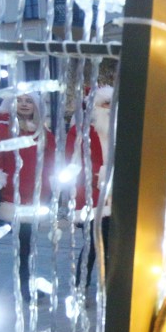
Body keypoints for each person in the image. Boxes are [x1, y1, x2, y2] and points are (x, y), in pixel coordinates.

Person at [0, 92, 56, 303]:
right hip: (9, 196)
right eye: (19, 100)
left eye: (29, 101)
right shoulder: (2, 128)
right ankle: (23, 287)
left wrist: (50, 192)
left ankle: (25, 284)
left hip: (34, 197)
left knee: (28, 245)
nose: (24, 104)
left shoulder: (42, 132)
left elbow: (50, 163)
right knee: (18, 244)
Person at [65, 85, 114, 292]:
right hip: (91, 196)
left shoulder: (120, 130)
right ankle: (81, 284)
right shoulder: (80, 131)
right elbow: (72, 164)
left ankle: (110, 286)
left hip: (116, 197)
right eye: (105, 104)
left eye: (112, 104)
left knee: (114, 245)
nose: (109, 108)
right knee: (93, 245)